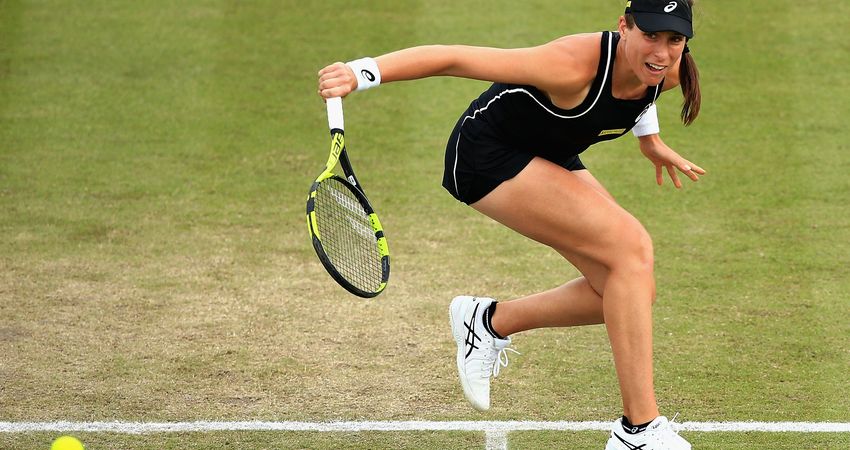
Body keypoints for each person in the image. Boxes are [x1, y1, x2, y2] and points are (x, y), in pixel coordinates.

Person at [317, 0, 704, 448]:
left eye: (674, 39)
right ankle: (638, 430)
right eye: (650, 35)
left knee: (631, 289)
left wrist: (649, 141)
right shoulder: (570, 65)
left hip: (547, 153)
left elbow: (644, 88)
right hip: (486, 156)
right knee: (632, 249)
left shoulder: (667, 69)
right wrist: (360, 72)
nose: (661, 50)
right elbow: (455, 57)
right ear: (623, 27)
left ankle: (488, 322)